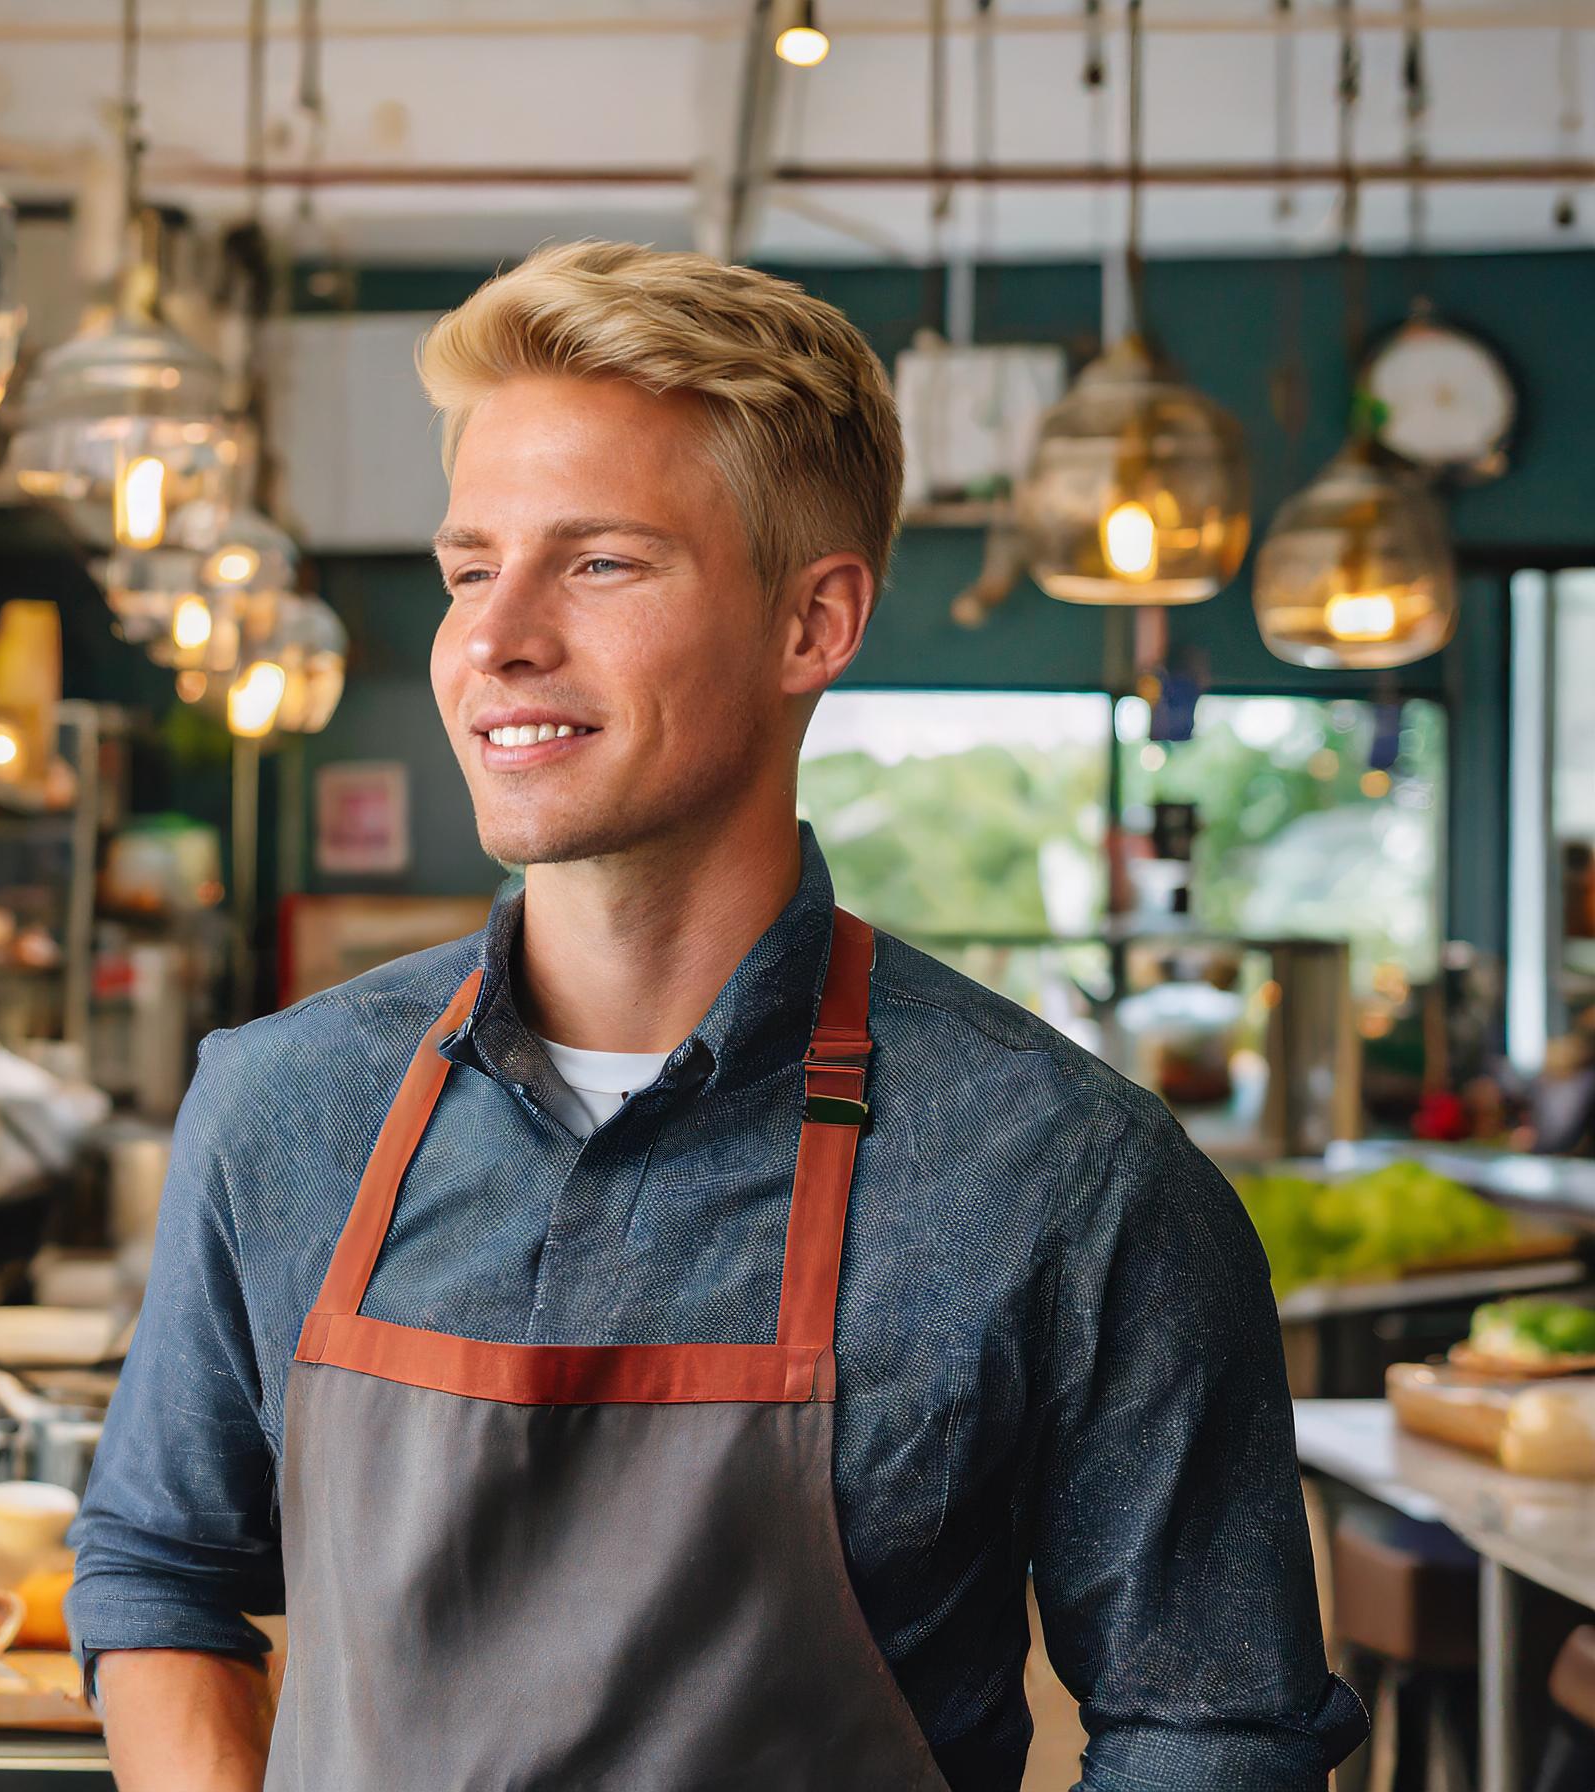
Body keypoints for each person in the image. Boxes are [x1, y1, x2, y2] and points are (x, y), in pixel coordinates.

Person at [67, 240, 1365, 1791]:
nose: (494, 639)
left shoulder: (1074, 1185)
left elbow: (1215, 1738)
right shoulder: (280, 1109)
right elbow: (159, 1568)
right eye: (472, 565)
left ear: (813, 625)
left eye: (600, 562)